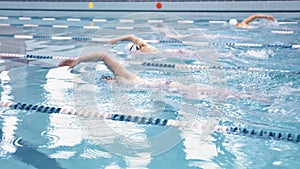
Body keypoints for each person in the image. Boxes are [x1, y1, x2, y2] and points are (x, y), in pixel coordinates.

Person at [58, 52, 269, 102]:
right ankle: (251, 95)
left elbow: (103, 56)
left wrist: (78, 60)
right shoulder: (119, 85)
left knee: (216, 93)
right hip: (166, 88)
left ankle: (253, 96)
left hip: (168, 86)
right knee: (213, 94)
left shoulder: (122, 76)